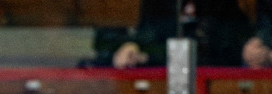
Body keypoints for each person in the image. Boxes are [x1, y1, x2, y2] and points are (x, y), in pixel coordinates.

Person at [92, 0, 252, 68]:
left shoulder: (219, 4)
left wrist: (150, 56)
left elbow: (211, 50)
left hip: (211, 87)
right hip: (158, 86)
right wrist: (133, 47)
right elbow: (148, 35)